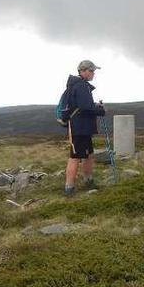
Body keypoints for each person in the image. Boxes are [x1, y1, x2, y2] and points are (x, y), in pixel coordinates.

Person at [63, 60, 106, 197]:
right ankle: (69, 188)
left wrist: (95, 107)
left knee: (88, 155)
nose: (94, 74)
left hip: (83, 128)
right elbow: (85, 107)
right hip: (79, 128)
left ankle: (88, 181)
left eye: (94, 71)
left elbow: (84, 105)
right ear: (84, 71)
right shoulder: (80, 86)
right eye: (92, 71)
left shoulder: (79, 85)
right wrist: (99, 110)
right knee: (75, 157)